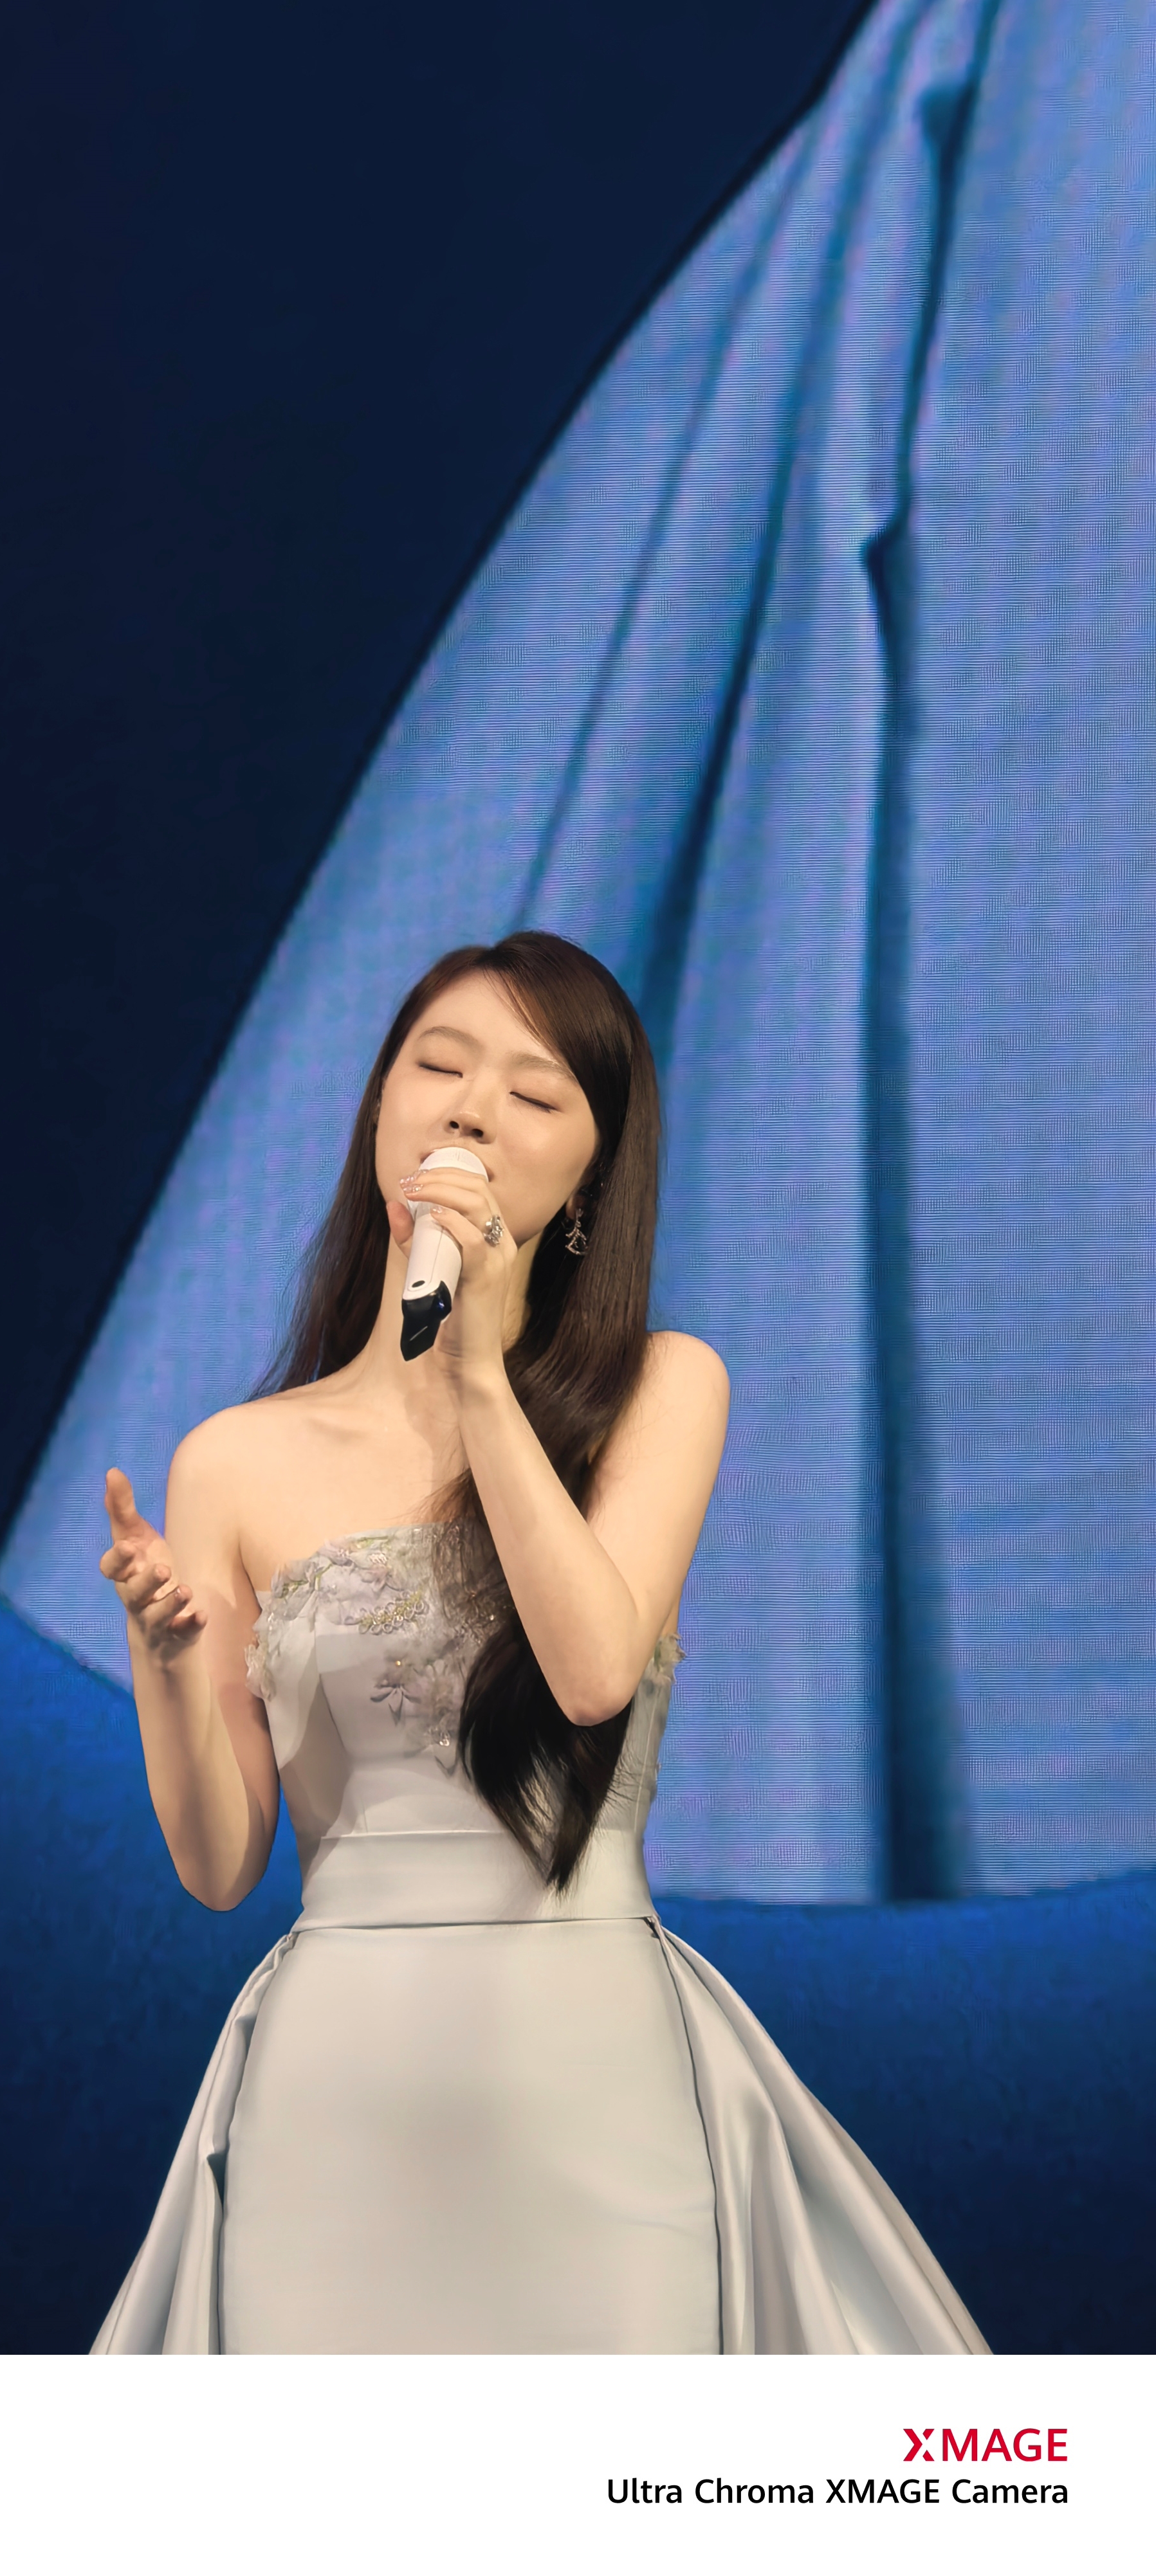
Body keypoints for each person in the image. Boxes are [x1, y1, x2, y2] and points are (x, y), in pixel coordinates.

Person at [91, 932, 987, 2354]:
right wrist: (162, 1660)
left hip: (585, 2072)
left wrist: (479, 1378)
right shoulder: (234, 1460)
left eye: (533, 1093)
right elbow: (219, 1867)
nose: (470, 1111)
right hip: (336, 2090)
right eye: (438, 1068)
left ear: (590, 1177)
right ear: (378, 1114)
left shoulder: (661, 1390)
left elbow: (590, 1673)